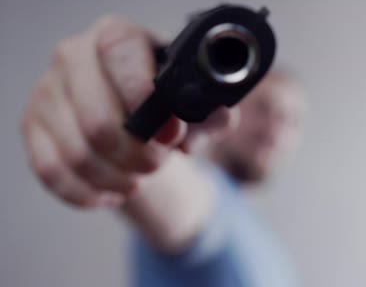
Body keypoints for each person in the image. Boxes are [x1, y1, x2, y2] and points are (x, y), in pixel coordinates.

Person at [20, 15, 306, 287]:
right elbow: (180, 202)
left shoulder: (269, 244)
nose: (275, 128)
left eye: (290, 119)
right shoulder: (205, 197)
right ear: (227, 105)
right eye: (263, 108)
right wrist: (118, 103)